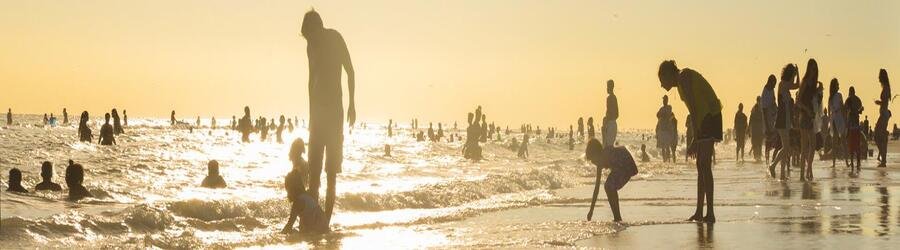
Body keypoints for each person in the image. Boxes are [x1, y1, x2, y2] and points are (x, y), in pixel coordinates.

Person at [302, 10, 356, 224]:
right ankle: (314, 219)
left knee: (331, 173)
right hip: (317, 116)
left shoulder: (335, 38)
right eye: (307, 38)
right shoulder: (310, 47)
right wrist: (310, 114)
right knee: (314, 173)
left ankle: (326, 220)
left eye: (310, 35)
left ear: (317, 28)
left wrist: (352, 103)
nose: (309, 40)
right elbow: (310, 80)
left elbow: (350, 70)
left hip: (334, 114)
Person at [658, 60, 722, 223]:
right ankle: (700, 211)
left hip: (709, 117)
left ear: (667, 73)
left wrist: (695, 136)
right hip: (704, 119)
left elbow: (693, 107)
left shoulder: (683, 77)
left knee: (705, 165)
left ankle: (710, 213)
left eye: (661, 79)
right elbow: (694, 108)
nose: (661, 84)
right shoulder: (680, 81)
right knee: (701, 165)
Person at [282, 138, 329, 233]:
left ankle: (306, 227)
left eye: (288, 192)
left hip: (318, 225)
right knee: (307, 214)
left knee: (304, 220)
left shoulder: (300, 165)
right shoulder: (300, 164)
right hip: (319, 218)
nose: (287, 195)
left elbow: (289, 224)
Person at [585, 139, 638, 222]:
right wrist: (591, 211)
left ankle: (617, 217)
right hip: (624, 165)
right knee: (610, 186)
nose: (593, 163)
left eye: (593, 159)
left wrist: (591, 211)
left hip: (627, 165)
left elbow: (597, 189)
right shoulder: (602, 157)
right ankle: (617, 216)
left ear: (596, 153)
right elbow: (596, 188)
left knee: (609, 186)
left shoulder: (605, 154)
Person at [769, 64, 800, 179]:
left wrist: (797, 73)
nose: (794, 77)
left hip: (786, 120)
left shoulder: (785, 85)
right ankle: (772, 166)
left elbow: (795, 84)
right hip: (782, 120)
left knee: (784, 147)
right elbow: (797, 85)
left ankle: (782, 175)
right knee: (786, 147)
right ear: (790, 74)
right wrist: (798, 73)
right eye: (793, 74)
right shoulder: (782, 84)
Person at [796, 59, 819, 181]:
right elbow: (798, 101)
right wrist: (807, 110)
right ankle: (802, 175)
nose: (813, 71)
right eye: (812, 68)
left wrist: (818, 91)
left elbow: (812, 99)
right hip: (804, 116)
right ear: (808, 68)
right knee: (804, 146)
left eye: (815, 69)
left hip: (810, 116)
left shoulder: (813, 83)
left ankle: (808, 170)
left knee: (813, 144)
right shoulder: (805, 82)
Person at [874, 69, 891, 167]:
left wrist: (878, 102)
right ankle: (883, 158)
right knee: (881, 137)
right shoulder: (886, 87)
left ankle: (883, 158)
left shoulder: (886, 88)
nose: (878, 78)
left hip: (884, 114)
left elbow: (885, 103)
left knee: (878, 136)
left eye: (879, 76)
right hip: (884, 114)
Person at [845, 86, 864, 173]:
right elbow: (860, 109)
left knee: (851, 145)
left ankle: (853, 163)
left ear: (850, 92)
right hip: (856, 125)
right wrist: (859, 110)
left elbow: (846, 110)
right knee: (857, 145)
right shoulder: (857, 99)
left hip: (851, 126)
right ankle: (858, 163)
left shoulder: (848, 100)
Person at [829, 78, 846, 168]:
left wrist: (830, 121)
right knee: (843, 140)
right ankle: (847, 162)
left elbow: (829, 111)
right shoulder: (839, 95)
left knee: (834, 142)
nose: (839, 86)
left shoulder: (830, 97)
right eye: (838, 84)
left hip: (834, 118)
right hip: (838, 117)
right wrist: (845, 119)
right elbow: (842, 107)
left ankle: (834, 163)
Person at [603, 80, 619, 146]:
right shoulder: (614, 98)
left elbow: (609, 111)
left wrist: (606, 120)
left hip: (610, 124)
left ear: (610, 87)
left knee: (606, 145)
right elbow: (617, 114)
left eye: (607, 87)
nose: (606, 89)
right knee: (610, 145)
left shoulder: (609, 98)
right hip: (614, 123)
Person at [749, 97, 765, 162]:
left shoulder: (757, 109)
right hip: (756, 129)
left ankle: (758, 157)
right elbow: (751, 120)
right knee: (757, 143)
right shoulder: (756, 109)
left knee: (758, 143)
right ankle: (757, 157)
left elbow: (751, 120)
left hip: (757, 129)